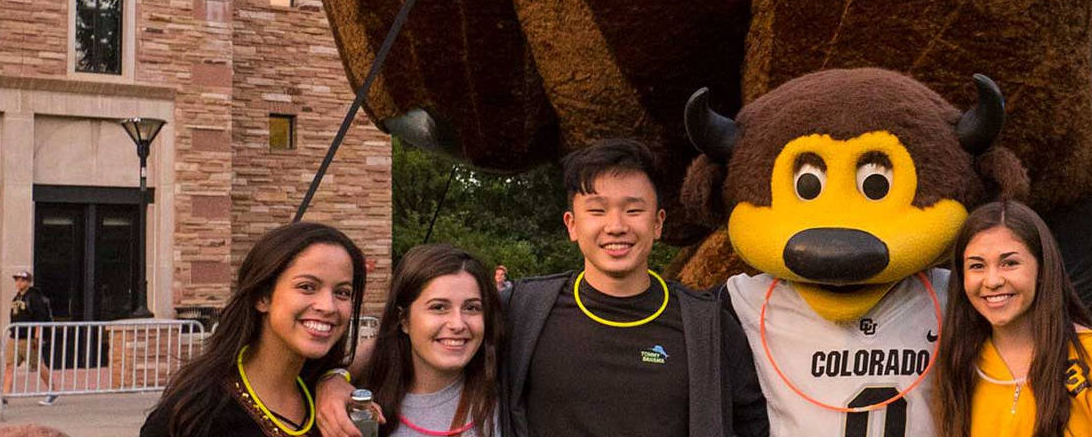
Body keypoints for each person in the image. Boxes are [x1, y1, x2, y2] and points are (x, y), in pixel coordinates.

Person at [318, 139, 766, 437]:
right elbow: (412, 338)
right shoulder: (525, 308)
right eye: (597, 210)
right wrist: (334, 378)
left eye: (633, 210)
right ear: (572, 225)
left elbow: (752, 423)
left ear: (658, 223)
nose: (616, 226)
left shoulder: (706, 322)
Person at [931, 201, 1092, 437]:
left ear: (1041, 269)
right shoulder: (959, 364)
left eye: (1009, 263)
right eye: (977, 266)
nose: (992, 280)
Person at [141, 222, 367, 437]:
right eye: (307, 287)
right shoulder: (194, 416)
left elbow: (389, 339)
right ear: (263, 296)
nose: (328, 306)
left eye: (343, 293)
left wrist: (335, 378)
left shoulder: (336, 410)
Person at [365, 244, 501, 436]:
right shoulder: (360, 406)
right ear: (403, 319)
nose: (458, 324)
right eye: (438, 307)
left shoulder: (508, 401)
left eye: (471, 308)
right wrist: (333, 378)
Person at [8, 268, 58, 405]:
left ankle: (52, 390)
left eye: (22, 280)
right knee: (9, 365)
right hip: (15, 336)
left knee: (39, 365)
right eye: (17, 279)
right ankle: (4, 396)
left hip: (28, 337)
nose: (19, 282)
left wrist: (37, 338)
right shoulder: (17, 297)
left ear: (28, 282)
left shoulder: (34, 297)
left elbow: (40, 318)